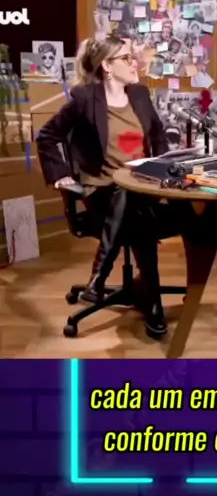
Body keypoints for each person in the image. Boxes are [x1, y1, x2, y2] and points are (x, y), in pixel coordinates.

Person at [37, 35, 171, 340]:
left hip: (142, 191)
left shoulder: (139, 95)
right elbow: (47, 136)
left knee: (138, 202)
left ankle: (99, 279)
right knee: (130, 197)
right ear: (107, 66)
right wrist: (60, 175)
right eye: (126, 58)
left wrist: (165, 165)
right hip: (101, 193)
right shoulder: (85, 99)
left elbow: (158, 135)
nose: (134, 63)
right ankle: (151, 301)